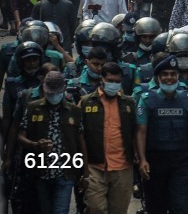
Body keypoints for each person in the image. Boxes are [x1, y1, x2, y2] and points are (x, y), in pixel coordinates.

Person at [136, 55, 188, 214]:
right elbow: (141, 131)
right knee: (155, 207)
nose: (169, 78)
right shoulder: (146, 99)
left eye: (173, 74)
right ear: (158, 78)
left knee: (180, 206)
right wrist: (142, 160)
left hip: (180, 161)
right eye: (165, 74)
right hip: (154, 161)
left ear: (178, 77)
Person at [18, 71, 86, 214]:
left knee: (61, 211)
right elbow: (21, 136)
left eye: (57, 92)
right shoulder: (33, 108)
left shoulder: (74, 111)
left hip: (66, 172)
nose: (54, 96)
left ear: (63, 89)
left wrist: (85, 172)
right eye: (50, 92)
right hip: (41, 171)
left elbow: (81, 141)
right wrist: (35, 145)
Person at [80, 61, 137, 214]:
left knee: (119, 210)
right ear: (102, 80)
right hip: (94, 167)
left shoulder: (129, 103)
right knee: (96, 208)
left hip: (123, 167)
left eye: (117, 82)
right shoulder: (86, 102)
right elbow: (80, 136)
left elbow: (136, 132)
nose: (114, 84)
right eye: (110, 81)